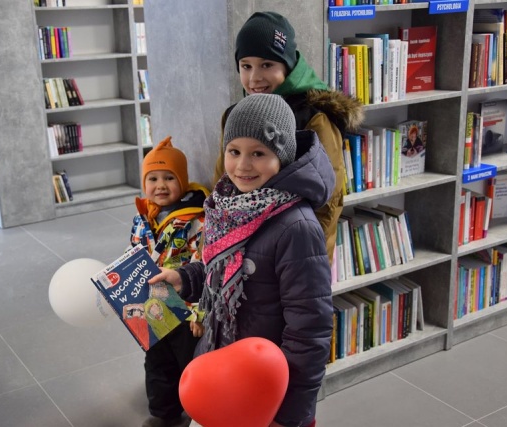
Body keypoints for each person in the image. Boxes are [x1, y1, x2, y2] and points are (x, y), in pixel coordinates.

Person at [151, 94, 334, 427]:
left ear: (282, 156)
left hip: (266, 395)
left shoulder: (297, 227)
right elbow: (221, 267)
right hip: (224, 367)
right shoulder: (229, 203)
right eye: (234, 151)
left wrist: (286, 416)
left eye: (258, 153)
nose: (242, 166)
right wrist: (186, 278)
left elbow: (310, 332)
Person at [213, 11, 364, 262]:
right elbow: (221, 185)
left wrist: (306, 260)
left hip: (292, 258)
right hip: (239, 255)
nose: (254, 78)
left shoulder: (313, 118)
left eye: (267, 65)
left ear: (289, 65)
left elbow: (327, 200)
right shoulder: (235, 115)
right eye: (246, 66)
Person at [131, 136, 208, 427]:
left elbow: (204, 266)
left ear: (183, 181)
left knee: (190, 363)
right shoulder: (143, 218)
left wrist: (199, 312)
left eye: (169, 178)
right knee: (156, 361)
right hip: (152, 306)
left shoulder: (196, 220)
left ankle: (200, 412)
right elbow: (134, 256)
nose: (160, 185)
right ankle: (164, 413)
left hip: (185, 310)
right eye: (152, 178)